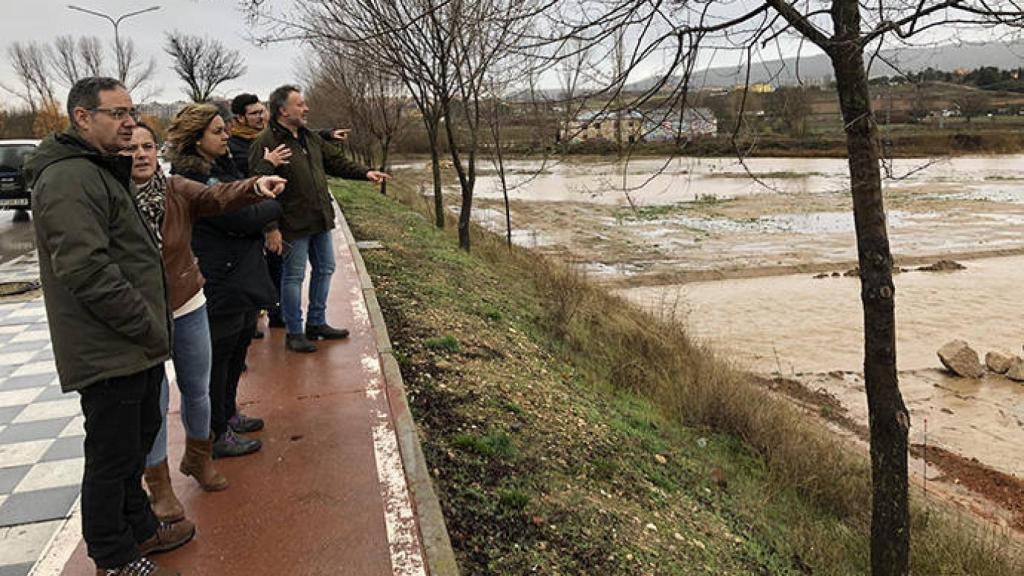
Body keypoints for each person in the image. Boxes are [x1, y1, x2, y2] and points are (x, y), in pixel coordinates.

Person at [24, 77, 189, 576]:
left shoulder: (95, 170)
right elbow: (85, 269)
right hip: (109, 345)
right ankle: (112, 555)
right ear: (81, 117)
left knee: (136, 439)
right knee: (112, 455)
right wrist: (145, 324)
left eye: (131, 111)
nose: (130, 122)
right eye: (117, 113)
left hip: (132, 343)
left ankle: (137, 527)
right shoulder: (69, 178)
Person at [123, 123, 286, 521]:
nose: (141, 154)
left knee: (198, 388)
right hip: (140, 312)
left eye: (147, 146)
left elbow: (216, 195)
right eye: (130, 149)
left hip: (187, 301)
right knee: (155, 401)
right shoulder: (110, 197)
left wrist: (254, 186)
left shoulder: (176, 187)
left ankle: (199, 456)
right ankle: (158, 484)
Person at [168, 104, 281, 458]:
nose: (225, 135)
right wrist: (271, 207)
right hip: (220, 276)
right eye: (217, 131)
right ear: (197, 138)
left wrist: (258, 208)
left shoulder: (225, 166)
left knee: (237, 350)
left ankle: (228, 414)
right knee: (217, 358)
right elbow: (241, 217)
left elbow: (247, 209)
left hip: (240, 274)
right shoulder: (193, 179)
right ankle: (215, 434)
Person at [250, 85, 390, 353]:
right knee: (293, 277)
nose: (306, 108)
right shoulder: (265, 143)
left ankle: (316, 323)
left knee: (325, 269)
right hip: (292, 224)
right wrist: (270, 228)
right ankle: (294, 332)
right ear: (283, 110)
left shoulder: (309, 138)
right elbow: (257, 188)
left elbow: (336, 162)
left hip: (320, 218)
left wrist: (366, 173)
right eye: (300, 104)